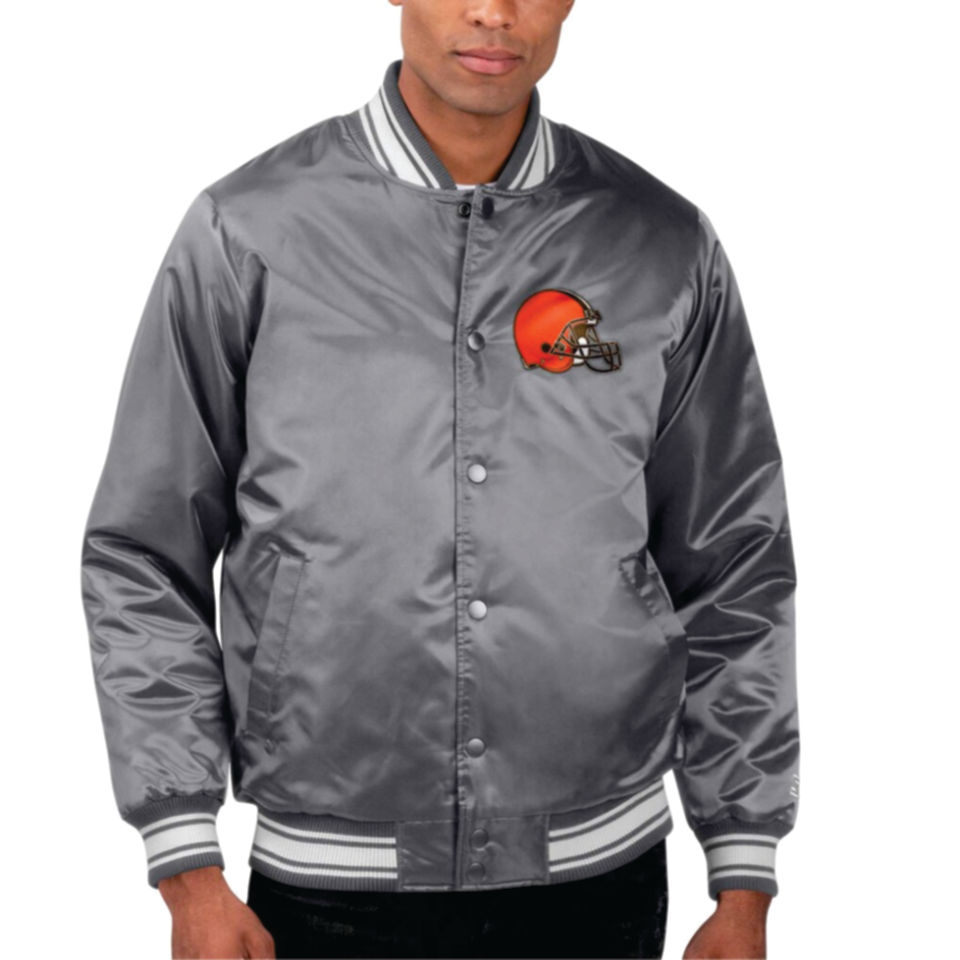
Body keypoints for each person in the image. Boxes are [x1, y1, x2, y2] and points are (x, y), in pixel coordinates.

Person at [79, 1, 800, 958]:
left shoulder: (661, 244)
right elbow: (143, 551)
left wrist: (742, 872)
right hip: (330, 885)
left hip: (603, 878)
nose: (492, 12)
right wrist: (186, 864)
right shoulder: (249, 230)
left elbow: (736, 559)